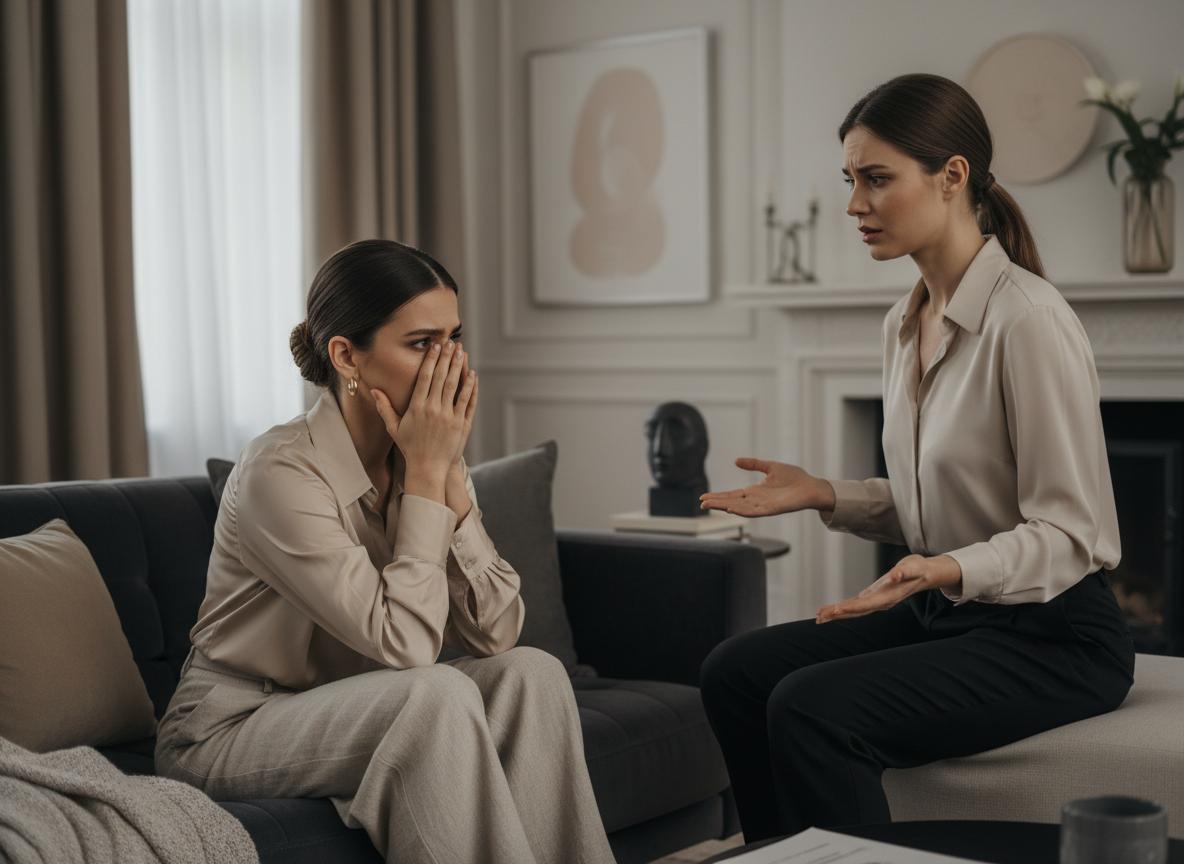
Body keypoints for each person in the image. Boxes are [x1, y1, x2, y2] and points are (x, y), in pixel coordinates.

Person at [698, 74, 1135, 842]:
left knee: (810, 708)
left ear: (952, 176)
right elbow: (946, 502)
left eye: (876, 179)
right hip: (952, 614)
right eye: (850, 181)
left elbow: (1071, 533)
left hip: (1055, 635)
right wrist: (824, 494)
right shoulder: (906, 323)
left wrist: (945, 568)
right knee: (735, 672)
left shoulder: (1027, 319)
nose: (853, 205)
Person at [155, 239, 616, 864]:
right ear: (347, 355)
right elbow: (408, 649)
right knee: (435, 695)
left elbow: (497, 632)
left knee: (532, 674)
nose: (447, 364)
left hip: (357, 700)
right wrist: (430, 478)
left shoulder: (425, 453)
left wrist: (443, 479)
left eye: (453, 338)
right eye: (422, 343)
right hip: (233, 725)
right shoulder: (280, 471)